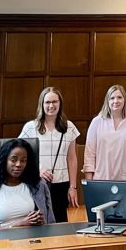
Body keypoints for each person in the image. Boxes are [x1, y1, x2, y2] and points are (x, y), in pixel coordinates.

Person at [19, 87, 80, 222]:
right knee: (38, 221)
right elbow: (19, 154)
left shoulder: (69, 127)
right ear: (42, 104)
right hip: (37, 183)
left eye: (54, 102)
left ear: (60, 104)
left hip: (61, 183)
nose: (51, 106)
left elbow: (72, 158)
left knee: (60, 222)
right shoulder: (30, 127)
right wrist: (38, 169)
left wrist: (73, 187)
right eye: (47, 102)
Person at [0, 139, 55, 230]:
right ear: (4, 160)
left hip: (32, 240)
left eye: (23, 161)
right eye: (13, 160)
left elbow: (49, 224)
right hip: (2, 242)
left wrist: (41, 221)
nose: (18, 164)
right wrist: (20, 223)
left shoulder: (38, 186)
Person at [83, 85, 126, 181]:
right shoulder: (97, 122)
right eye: (112, 98)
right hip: (100, 180)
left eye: (119, 97)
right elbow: (89, 154)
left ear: (125, 100)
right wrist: (89, 181)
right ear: (107, 101)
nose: (116, 101)